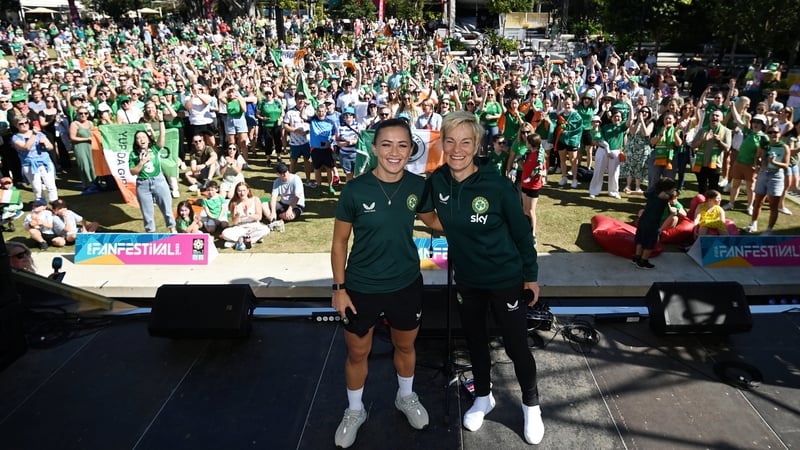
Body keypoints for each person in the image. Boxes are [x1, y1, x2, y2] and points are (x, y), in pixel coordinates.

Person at [425, 111, 544, 445]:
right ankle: (484, 398)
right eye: (450, 141)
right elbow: (426, 212)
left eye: (465, 141)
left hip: (505, 278)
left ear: (477, 144)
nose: (457, 148)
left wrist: (530, 276)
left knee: (517, 345)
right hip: (467, 280)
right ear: (442, 144)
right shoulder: (437, 181)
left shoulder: (497, 184)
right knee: (475, 342)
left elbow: (522, 233)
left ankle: (531, 405)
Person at [330, 118, 441, 449]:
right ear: (375, 148)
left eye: (402, 145)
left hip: (405, 284)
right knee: (357, 352)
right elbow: (339, 243)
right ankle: (354, 410)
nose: (395, 152)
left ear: (411, 150)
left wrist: (466, 221)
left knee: (406, 346)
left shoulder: (417, 186)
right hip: (360, 287)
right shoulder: (355, 189)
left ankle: (405, 397)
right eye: (387, 144)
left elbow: (433, 220)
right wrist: (339, 289)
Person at [129, 125, 177, 234]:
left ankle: (172, 229)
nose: (141, 139)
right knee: (147, 212)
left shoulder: (154, 149)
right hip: (143, 184)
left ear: (148, 138)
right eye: (138, 138)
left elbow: (162, 136)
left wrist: (161, 121)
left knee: (167, 208)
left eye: (144, 137)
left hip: (158, 180)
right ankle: (150, 234)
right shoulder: (133, 154)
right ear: (136, 141)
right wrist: (141, 163)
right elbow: (132, 172)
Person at [744, 125, 791, 235]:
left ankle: (769, 230)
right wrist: (756, 165)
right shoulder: (764, 144)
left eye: (775, 132)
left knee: (773, 205)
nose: (773, 134)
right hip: (763, 174)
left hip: (776, 176)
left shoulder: (784, 147)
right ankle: (753, 224)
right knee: (758, 202)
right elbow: (757, 156)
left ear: (780, 133)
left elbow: (786, 165)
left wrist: (774, 163)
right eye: (770, 132)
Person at [633, 177, 677, 269]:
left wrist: (630, 192)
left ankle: (637, 257)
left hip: (643, 220)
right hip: (653, 223)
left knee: (640, 239)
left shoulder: (653, 193)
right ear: (668, 188)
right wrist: (672, 210)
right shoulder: (666, 197)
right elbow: (672, 199)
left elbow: (642, 193)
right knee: (650, 242)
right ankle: (643, 261)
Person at [12, 116, 58, 202]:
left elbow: (51, 147)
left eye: (26, 122)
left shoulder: (40, 134)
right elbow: (26, 147)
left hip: (45, 162)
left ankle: (56, 206)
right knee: (37, 188)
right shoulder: (16, 138)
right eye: (21, 124)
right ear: (16, 126)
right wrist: (33, 134)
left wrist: (46, 145)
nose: (24, 125)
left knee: (51, 186)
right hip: (29, 165)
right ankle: (42, 206)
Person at [691, 109, 731, 195]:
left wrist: (719, 141)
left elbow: (727, 149)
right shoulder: (703, 130)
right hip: (701, 163)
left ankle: (712, 206)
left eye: (717, 116)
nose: (714, 117)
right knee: (702, 187)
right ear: (709, 118)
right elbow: (693, 145)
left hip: (715, 164)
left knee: (713, 188)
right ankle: (702, 205)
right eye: (713, 115)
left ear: (721, 119)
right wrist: (703, 140)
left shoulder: (726, 131)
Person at [220, 181, 270, 248]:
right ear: (236, 192)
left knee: (266, 229)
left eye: (244, 190)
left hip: (254, 225)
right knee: (225, 233)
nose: (242, 193)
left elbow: (259, 217)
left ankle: (238, 242)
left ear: (248, 190)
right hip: (240, 227)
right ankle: (251, 240)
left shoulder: (255, 199)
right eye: (239, 191)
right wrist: (237, 216)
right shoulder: (234, 203)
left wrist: (248, 214)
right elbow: (235, 222)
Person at [519, 133, 546, 244]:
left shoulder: (540, 156)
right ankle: (526, 230)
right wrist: (519, 163)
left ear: (530, 144)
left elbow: (542, 170)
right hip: (525, 185)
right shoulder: (528, 154)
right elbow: (525, 167)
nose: (526, 142)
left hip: (534, 186)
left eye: (527, 141)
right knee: (525, 209)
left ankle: (533, 234)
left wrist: (539, 174)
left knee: (531, 210)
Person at [68, 106, 98, 193]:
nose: (83, 115)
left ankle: (95, 183)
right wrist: (87, 139)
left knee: (92, 165)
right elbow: (72, 137)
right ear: (77, 114)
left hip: (90, 147)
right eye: (81, 113)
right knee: (84, 166)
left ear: (88, 114)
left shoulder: (90, 123)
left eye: (85, 113)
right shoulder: (74, 124)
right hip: (80, 147)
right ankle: (86, 185)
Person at [266, 162, 305, 226]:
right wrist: (273, 212)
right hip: (282, 204)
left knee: (290, 216)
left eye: (286, 172)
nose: (285, 175)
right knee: (263, 201)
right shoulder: (277, 181)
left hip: (296, 205)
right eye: (282, 174)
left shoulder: (296, 179)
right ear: (278, 174)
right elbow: (274, 197)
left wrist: (290, 209)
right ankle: (273, 217)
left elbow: (297, 196)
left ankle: (274, 217)